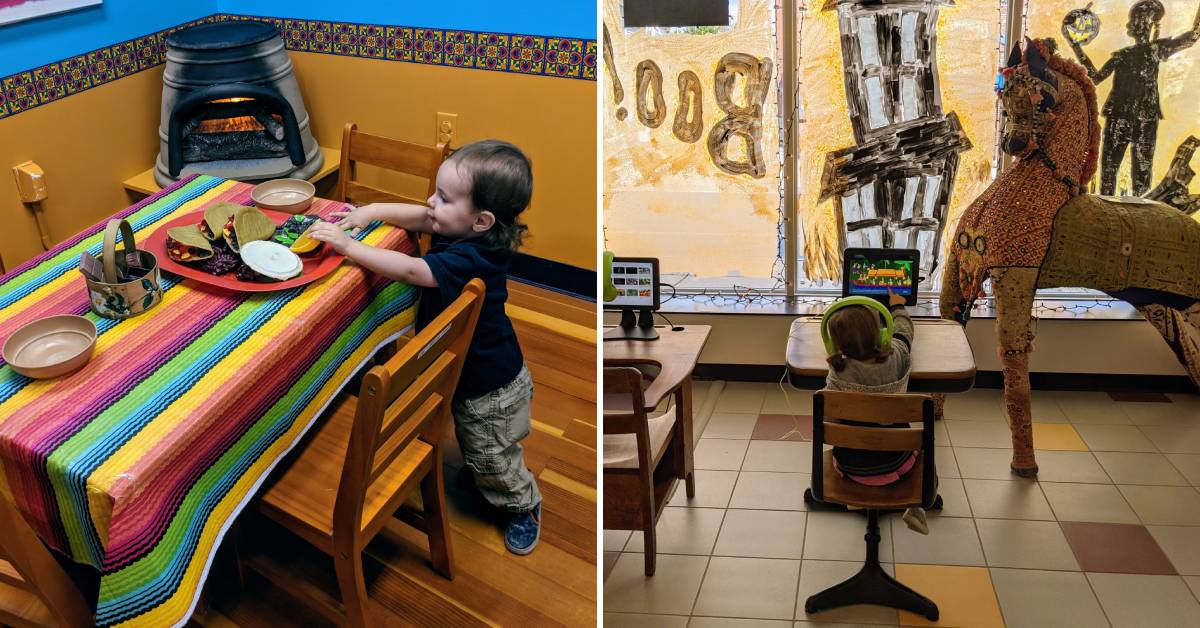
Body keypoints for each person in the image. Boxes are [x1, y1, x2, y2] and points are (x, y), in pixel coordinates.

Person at [308, 140, 542, 555]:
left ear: (483, 220)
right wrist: (370, 211)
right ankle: (488, 467)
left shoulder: (474, 258)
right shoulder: (465, 226)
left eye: (445, 198)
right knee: (487, 448)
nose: (431, 202)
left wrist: (349, 247)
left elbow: (416, 270)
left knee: (492, 454)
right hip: (486, 372)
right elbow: (421, 215)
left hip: (488, 389)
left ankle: (522, 505)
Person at [822, 288, 929, 534]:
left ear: (834, 343)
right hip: (899, 462)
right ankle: (915, 506)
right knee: (919, 449)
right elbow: (904, 332)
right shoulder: (898, 355)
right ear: (881, 335)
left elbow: (829, 419)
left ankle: (856, 497)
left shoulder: (838, 374)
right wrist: (898, 307)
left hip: (852, 467)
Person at [1069, 0, 1200, 195]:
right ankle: (1106, 212)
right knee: (1109, 173)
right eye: (1138, 20)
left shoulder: (1157, 49)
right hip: (1119, 117)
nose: (1141, 24)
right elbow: (1095, 77)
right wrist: (1076, 46)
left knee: (1142, 177)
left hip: (1145, 119)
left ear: (1151, 25)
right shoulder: (1123, 55)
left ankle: (1141, 217)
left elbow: (1192, 37)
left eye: (1145, 20)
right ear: (1132, 26)